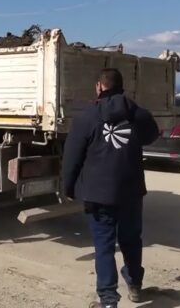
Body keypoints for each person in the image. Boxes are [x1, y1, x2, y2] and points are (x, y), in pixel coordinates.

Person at [62, 68, 160, 308]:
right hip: (131, 192)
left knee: (104, 246)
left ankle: (108, 301)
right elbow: (152, 135)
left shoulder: (86, 117)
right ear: (122, 87)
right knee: (131, 240)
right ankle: (135, 284)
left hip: (98, 194)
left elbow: (72, 156)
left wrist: (68, 187)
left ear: (99, 87)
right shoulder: (138, 114)